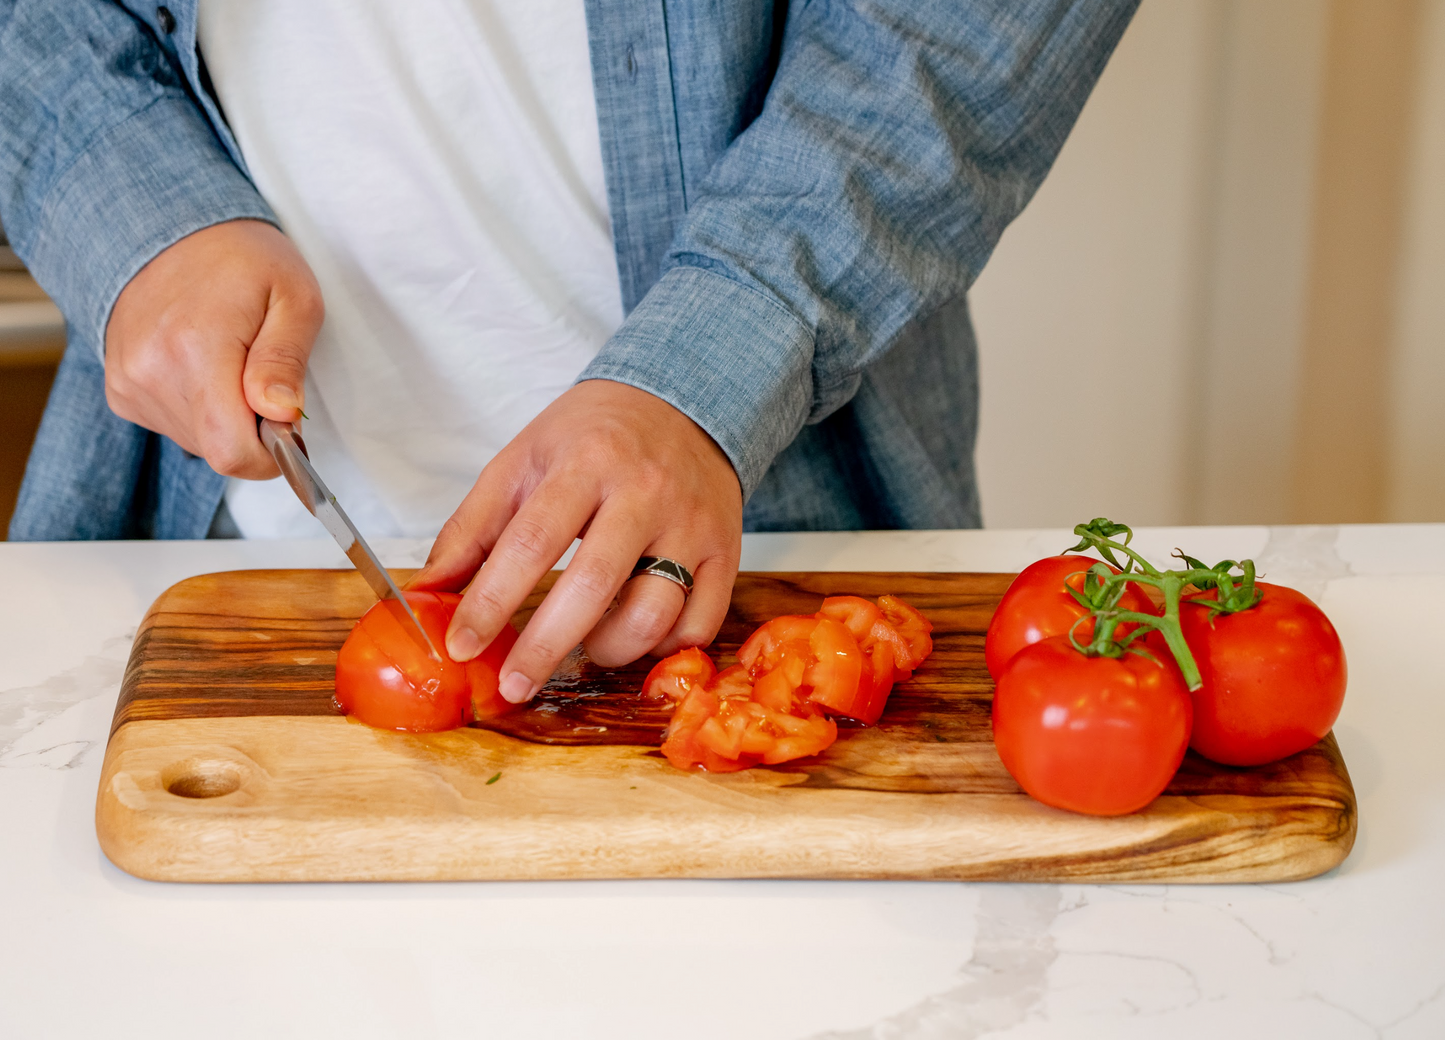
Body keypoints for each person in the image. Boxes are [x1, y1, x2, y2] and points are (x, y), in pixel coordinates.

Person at [0, 0, 1138, 705]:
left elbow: (960, 29)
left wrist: (715, 364)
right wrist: (127, 201)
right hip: (200, 544)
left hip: (789, 500)